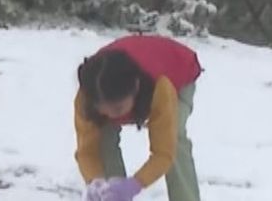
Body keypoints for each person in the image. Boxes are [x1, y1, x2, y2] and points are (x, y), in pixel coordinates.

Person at [73, 34, 204, 201]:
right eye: (103, 110)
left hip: (179, 70)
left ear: (135, 88)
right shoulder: (87, 96)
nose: (112, 115)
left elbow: (163, 153)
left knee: (174, 140)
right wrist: (95, 180)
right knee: (101, 140)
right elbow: (87, 151)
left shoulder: (160, 88)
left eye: (117, 108)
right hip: (124, 78)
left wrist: (135, 184)